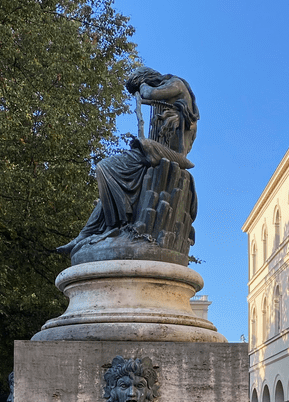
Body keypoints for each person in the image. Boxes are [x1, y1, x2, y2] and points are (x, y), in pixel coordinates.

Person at [57, 67, 199, 259]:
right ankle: (86, 234)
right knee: (112, 182)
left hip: (169, 155)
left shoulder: (176, 84)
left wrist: (141, 87)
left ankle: (116, 225)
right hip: (157, 153)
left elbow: (149, 93)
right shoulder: (175, 92)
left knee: (106, 167)